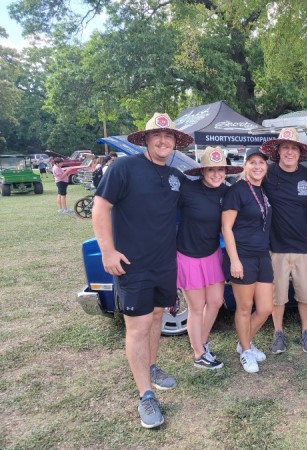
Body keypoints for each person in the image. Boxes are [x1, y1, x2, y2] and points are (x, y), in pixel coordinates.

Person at [92, 112, 193, 428]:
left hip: (165, 262)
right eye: (157, 136)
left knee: (156, 317)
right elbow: (100, 207)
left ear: (175, 142)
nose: (163, 141)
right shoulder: (125, 167)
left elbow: (202, 195)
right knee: (136, 327)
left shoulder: (175, 175)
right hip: (132, 265)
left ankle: (151, 366)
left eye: (169, 137)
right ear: (145, 140)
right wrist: (108, 251)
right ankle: (146, 397)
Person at [178, 147, 242, 370]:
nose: (217, 174)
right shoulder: (187, 189)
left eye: (221, 169)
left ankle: (202, 343)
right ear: (202, 171)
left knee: (215, 302)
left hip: (212, 253)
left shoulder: (227, 192)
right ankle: (198, 354)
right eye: (211, 169)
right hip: (187, 254)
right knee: (196, 307)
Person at [260, 128, 307, 354]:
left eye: (294, 147)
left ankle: (306, 332)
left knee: (306, 293)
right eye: (285, 147)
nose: (290, 151)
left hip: (304, 246)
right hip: (276, 246)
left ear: (300, 152)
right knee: (278, 294)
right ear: (278, 151)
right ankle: (278, 333)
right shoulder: (267, 174)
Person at [221, 147, 274, 373]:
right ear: (245, 165)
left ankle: (244, 344)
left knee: (265, 308)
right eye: (252, 162)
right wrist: (234, 260)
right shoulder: (237, 191)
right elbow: (226, 227)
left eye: (261, 162)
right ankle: (246, 349)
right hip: (242, 256)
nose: (257, 166)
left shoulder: (263, 190)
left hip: (262, 255)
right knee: (244, 307)